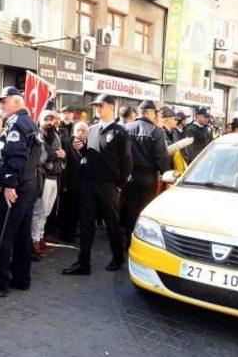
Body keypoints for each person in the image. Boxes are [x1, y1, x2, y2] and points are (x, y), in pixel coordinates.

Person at [0, 87, 41, 297]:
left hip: (17, 186)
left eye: (5, 101)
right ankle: (21, 278)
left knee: (0, 234)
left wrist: (10, 184)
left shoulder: (17, 123)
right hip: (28, 184)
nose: (2, 105)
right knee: (21, 234)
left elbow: (17, 156)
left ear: (17, 102)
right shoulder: (29, 122)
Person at [62, 94, 132, 275]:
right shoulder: (92, 129)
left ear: (111, 107)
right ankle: (83, 263)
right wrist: (82, 148)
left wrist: (119, 186)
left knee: (112, 224)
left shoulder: (119, 132)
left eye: (101, 106)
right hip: (88, 184)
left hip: (108, 186)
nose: (98, 109)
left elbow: (127, 163)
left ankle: (118, 258)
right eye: (96, 106)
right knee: (86, 224)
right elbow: (91, 154)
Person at [120, 100, 169, 248]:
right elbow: (161, 157)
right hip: (148, 178)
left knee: (130, 210)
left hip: (129, 177)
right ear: (148, 112)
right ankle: (141, 244)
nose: (156, 116)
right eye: (155, 113)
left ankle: (129, 241)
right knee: (145, 211)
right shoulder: (156, 131)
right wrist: (165, 172)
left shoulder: (125, 128)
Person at [31, 110, 66, 260]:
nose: (50, 122)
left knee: (46, 211)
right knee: (39, 212)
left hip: (54, 178)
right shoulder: (38, 135)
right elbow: (39, 158)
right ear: (40, 120)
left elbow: (61, 156)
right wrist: (55, 156)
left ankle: (40, 237)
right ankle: (34, 242)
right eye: (47, 119)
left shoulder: (56, 134)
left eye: (52, 119)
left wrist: (63, 156)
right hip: (42, 179)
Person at [59, 122, 88, 243]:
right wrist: (64, 184)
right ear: (74, 131)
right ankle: (66, 234)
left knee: (77, 209)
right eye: (78, 130)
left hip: (82, 183)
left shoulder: (88, 145)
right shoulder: (67, 142)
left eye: (83, 131)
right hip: (70, 183)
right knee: (68, 210)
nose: (80, 133)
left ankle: (73, 231)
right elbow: (64, 165)